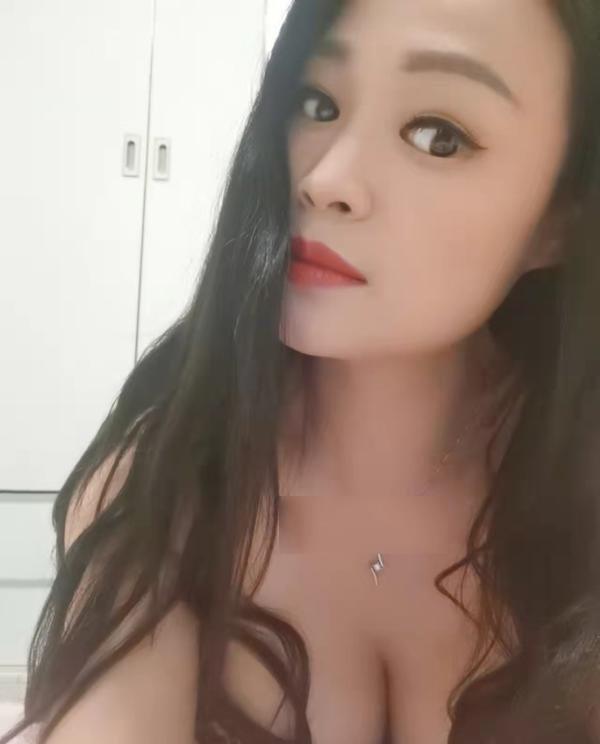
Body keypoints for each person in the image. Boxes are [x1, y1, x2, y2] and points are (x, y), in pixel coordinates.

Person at [3, 0, 600, 742]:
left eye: (437, 135)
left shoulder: (577, 486)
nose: (326, 178)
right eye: (317, 104)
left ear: (563, 218)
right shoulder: (172, 481)